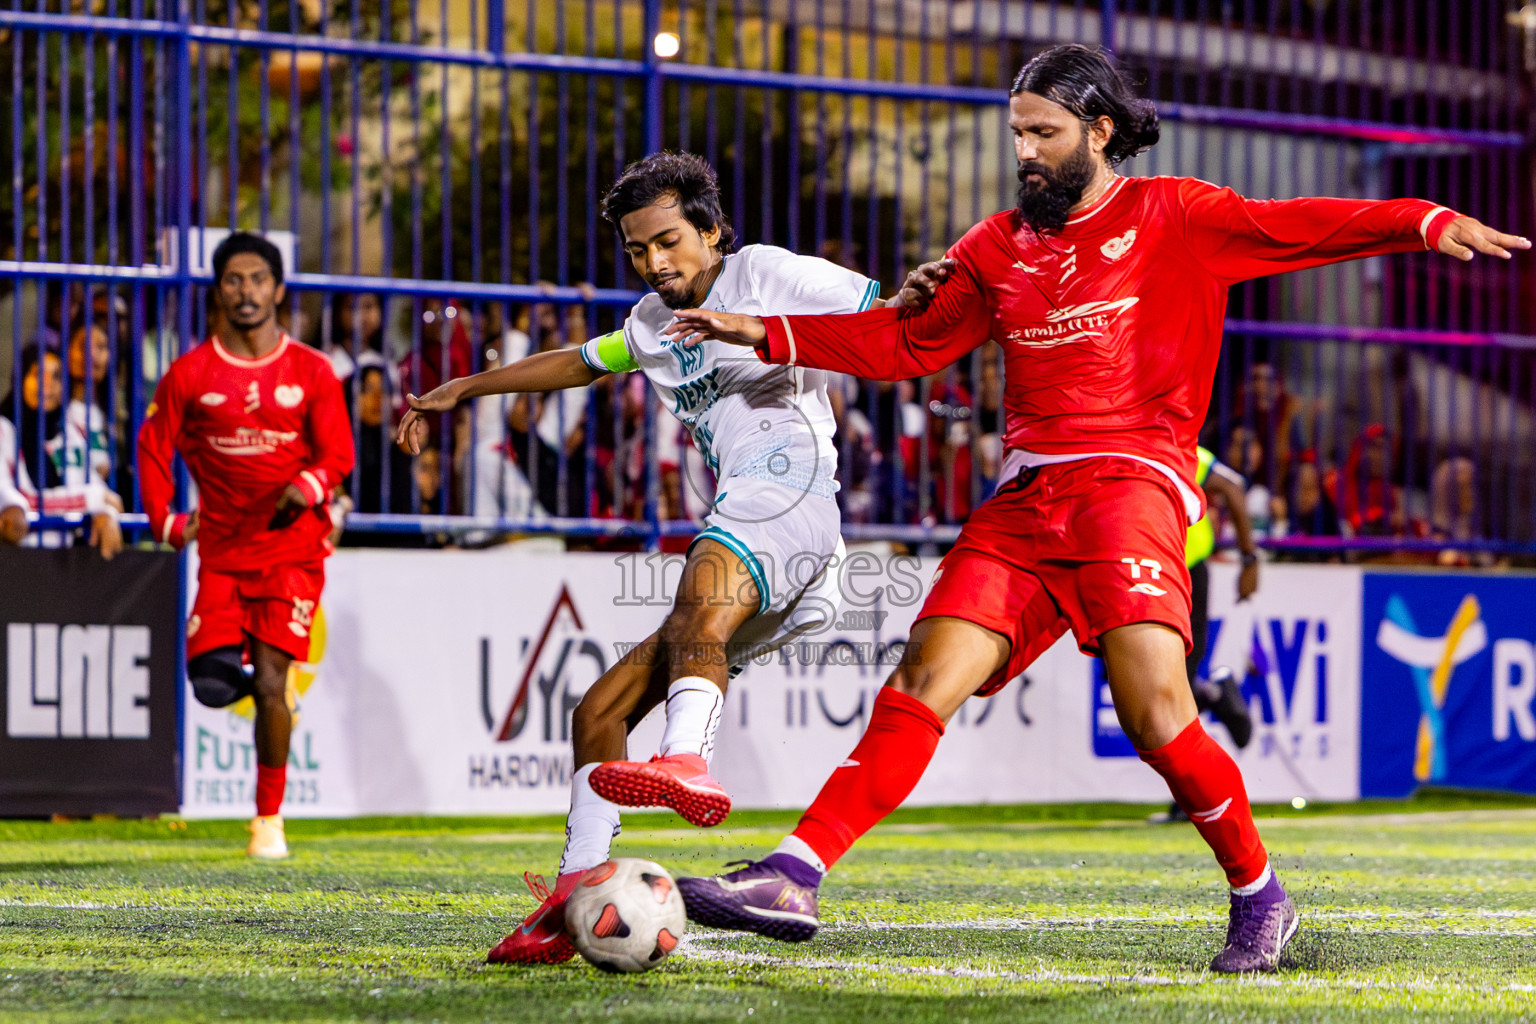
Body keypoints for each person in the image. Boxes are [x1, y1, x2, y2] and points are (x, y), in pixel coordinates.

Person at [664, 44, 1528, 973]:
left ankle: (1259, 895)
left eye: (1044, 132)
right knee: (925, 672)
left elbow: (1303, 224)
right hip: (1029, 498)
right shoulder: (992, 246)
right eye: (1017, 134)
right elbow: (908, 345)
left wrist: (1422, 219)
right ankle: (795, 873)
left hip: (1132, 483)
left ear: (1100, 131)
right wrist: (768, 330)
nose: (1026, 151)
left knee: (1156, 713)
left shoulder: (1178, 214)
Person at [397, 152, 914, 966]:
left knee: (696, 594)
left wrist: (919, 296)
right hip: (762, 536)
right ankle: (572, 903)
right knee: (597, 715)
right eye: (638, 250)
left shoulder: (764, 274)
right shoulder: (649, 323)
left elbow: (879, 310)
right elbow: (578, 362)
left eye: (669, 241)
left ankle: (687, 761)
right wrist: (469, 385)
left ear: (710, 230)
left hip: (792, 496)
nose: (656, 262)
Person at [138, 232, 354, 860]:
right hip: (224, 554)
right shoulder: (191, 373)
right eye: (234, 279)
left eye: (258, 278)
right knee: (209, 684)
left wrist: (308, 484)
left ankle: (268, 819)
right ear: (218, 291)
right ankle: (267, 694)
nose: (247, 290)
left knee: (269, 682)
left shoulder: (312, 370)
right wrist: (167, 523)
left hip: (292, 551)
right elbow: (153, 448)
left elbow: (338, 453)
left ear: (278, 289)